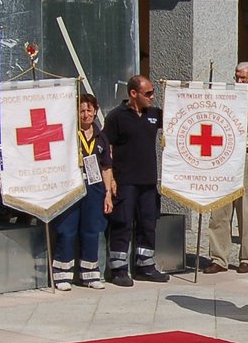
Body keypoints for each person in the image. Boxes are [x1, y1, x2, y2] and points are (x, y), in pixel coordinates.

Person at [105, 74, 169, 286]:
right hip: (125, 181)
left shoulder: (154, 114)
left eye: (153, 92)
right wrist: (111, 179)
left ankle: (145, 265)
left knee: (148, 223)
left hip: (148, 182)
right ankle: (119, 269)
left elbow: (177, 119)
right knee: (122, 223)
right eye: (148, 93)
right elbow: (107, 148)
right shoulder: (116, 117)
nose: (152, 96)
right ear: (133, 94)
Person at [208, 61, 248, 274]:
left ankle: (246, 257)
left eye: (243, 78)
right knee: (219, 210)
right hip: (225, 157)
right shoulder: (226, 95)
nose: (239, 81)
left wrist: (242, 104)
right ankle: (218, 257)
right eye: (237, 77)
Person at [50, 92, 115, 290]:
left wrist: (107, 193)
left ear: (96, 112)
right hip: (72, 186)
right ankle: (62, 274)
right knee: (67, 230)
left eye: (89, 110)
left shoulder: (101, 136)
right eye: (81, 110)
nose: (85, 114)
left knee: (91, 230)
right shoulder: (68, 134)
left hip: (94, 187)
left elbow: (106, 167)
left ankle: (90, 273)